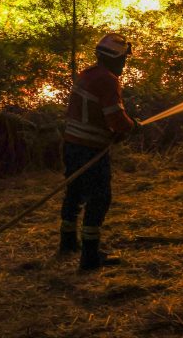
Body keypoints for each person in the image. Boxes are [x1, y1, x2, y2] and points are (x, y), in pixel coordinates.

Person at [58, 32, 139, 270]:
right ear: (114, 59)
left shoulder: (88, 74)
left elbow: (95, 113)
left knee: (74, 194)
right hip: (89, 150)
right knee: (99, 198)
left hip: (72, 144)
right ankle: (90, 257)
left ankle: (68, 243)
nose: (124, 63)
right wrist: (132, 127)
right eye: (123, 59)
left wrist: (119, 129)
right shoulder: (107, 79)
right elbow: (115, 117)